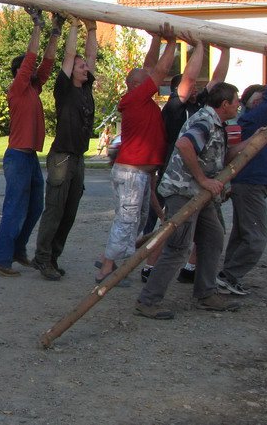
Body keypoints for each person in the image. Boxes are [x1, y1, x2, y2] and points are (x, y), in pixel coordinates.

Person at [135, 83, 246, 319]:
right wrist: (203, 180)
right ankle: (148, 301)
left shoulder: (217, 124)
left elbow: (220, 158)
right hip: (183, 191)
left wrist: (257, 140)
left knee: (213, 238)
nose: (239, 105)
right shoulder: (205, 120)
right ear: (225, 104)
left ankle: (205, 293)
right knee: (178, 247)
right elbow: (184, 144)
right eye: (236, 100)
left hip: (198, 194)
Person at [141, 37, 231, 282]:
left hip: (198, 180)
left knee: (206, 230)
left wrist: (225, 50)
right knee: (172, 228)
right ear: (178, 90)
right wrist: (200, 46)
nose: (195, 90)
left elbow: (217, 82)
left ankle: (190, 269)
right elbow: (189, 78)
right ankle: (150, 268)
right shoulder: (174, 107)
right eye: (189, 88)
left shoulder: (200, 105)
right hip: (179, 177)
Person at [96, 25, 179, 285]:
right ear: (136, 85)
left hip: (139, 172)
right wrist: (173, 42)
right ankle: (107, 269)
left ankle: (111, 260)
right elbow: (160, 70)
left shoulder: (139, 98)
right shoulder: (135, 99)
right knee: (127, 219)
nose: (155, 82)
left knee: (138, 219)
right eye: (148, 81)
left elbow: (150, 66)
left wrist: (155, 39)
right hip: (131, 172)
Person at [0, 9, 59, 277]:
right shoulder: (17, 88)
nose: (32, 70)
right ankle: (0, 257)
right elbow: (32, 59)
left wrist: (55, 31)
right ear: (19, 72)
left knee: (35, 207)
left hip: (28, 157)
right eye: (26, 69)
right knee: (15, 208)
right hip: (17, 156)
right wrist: (37, 25)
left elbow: (47, 64)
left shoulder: (33, 88)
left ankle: (17, 249)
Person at [31, 17, 98, 280]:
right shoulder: (65, 89)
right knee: (55, 210)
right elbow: (70, 55)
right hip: (62, 158)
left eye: (85, 67)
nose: (85, 68)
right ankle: (42, 258)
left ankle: (53, 258)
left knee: (69, 213)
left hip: (78, 158)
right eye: (81, 67)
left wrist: (92, 29)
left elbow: (90, 55)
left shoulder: (86, 87)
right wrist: (73, 26)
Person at [218, 44, 267, 296]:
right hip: (249, 185)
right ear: (247, 103)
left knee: (242, 234)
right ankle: (229, 275)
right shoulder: (252, 119)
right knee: (256, 238)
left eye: (263, 97)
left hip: (257, 184)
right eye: (255, 99)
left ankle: (226, 276)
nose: (261, 101)